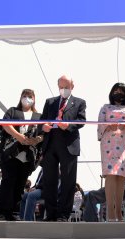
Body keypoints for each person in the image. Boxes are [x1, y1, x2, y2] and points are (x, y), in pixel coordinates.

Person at [40, 75, 86, 222]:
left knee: (68, 181)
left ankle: (63, 215)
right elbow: (41, 120)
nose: (63, 89)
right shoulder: (50, 102)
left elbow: (81, 121)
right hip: (50, 144)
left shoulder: (79, 102)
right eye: (61, 87)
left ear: (72, 86)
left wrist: (68, 125)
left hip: (69, 145)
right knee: (49, 181)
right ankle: (51, 213)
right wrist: (44, 127)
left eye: (66, 87)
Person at [0, 89, 43, 221]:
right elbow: (5, 124)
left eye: (30, 96)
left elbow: (44, 133)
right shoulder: (12, 111)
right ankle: (2, 212)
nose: (27, 98)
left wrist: (36, 140)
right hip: (11, 153)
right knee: (7, 182)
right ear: (20, 97)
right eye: (24, 96)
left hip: (28, 156)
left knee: (20, 185)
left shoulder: (39, 116)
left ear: (34, 99)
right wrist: (18, 136)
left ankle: (13, 212)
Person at [97, 83, 125, 222]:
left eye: (121, 91)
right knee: (111, 175)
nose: (118, 93)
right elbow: (100, 123)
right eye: (116, 91)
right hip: (109, 142)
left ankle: (119, 212)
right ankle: (111, 211)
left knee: (121, 177)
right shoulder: (105, 107)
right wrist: (108, 125)